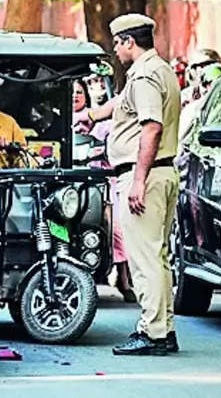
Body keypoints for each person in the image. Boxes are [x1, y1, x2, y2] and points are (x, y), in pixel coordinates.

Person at [76, 13, 181, 356]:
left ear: (128, 42)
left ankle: (152, 333)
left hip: (145, 176)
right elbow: (122, 105)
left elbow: (151, 127)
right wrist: (89, 115)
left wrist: (138, 179)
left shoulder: (146, 76)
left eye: (117, 44)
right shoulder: (158, 69)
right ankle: (163, 327)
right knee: (158, 257)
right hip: (160, 173)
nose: (115, 51)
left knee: (144, 259)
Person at [74, 80, 136, 303]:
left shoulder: (101, 122)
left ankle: (124, 275)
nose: (75, 96)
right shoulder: (59, 123)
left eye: (79, 92)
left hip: (103, 182)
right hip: (74, 183)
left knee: (117, 225)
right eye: (71, 92)